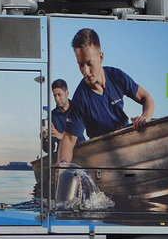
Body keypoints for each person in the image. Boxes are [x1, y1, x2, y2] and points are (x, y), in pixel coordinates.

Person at [57, 27, 155, 164]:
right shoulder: (80, 98)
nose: (85, 71)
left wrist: (144, 118)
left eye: (89, 63)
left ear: (101, 57)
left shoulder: (116, 76)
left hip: (124, 136)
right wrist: (62, 165)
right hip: (102, 149)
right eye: (81, 65)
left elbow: (146, 98)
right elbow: (68, 138)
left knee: (154, 123)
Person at [49, 79, 85, 148]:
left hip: (80, 149)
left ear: (67, 93)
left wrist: (60, 136)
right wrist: (46, 140)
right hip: (62, 152)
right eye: (55, 96)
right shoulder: (51, 116)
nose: (57, 99)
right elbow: (50, 147)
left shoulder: (77, 109)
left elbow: (78, 134)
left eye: (59, 95)